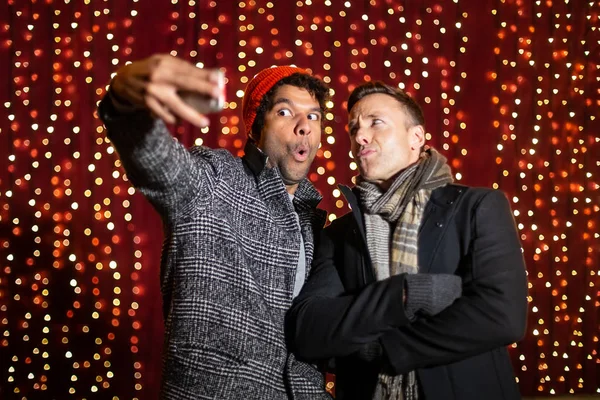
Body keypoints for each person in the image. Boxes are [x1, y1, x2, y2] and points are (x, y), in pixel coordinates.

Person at [98, 54, 333, 399]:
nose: (304, 126)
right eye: (285, 112)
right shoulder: (213, 180)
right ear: (255, 127)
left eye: (313, 116)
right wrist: (126, 99)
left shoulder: (314, 223)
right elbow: (157, 159)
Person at [286, 81, 528, 400]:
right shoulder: (340, 234)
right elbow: (308, 329)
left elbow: (501, 317)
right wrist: (406, 294)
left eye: (376, 122)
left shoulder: (477, 208)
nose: (360, 136)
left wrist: (384, 350)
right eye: (355, 128)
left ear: (416, 138)